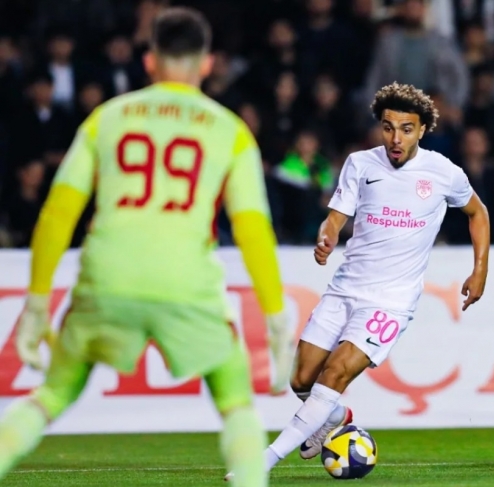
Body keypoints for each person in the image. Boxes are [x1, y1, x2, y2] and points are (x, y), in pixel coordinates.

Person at [0, 8, 293, 487]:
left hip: (106, 277)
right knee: (237, 405)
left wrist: (36, 301)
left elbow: (57, 212)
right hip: (186, 283)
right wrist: (276, 318)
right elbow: (253, 229)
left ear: (150, 61)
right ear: (206, 64)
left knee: (50, 396)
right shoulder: (230, 131)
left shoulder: (106, 118)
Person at [226, 82, 490, 480]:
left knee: (334, 374)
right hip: (345, 288)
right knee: (302, 379)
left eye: (406, 129)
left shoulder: (444, 173)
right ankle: (335, 416)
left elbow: (477, 212)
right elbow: (336, 215)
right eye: (388, 127)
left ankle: (263, 461)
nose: (395, 138)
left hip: (391, 302)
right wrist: (327, 235)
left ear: (422, 130)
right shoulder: (361, 164)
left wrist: (480, 268)